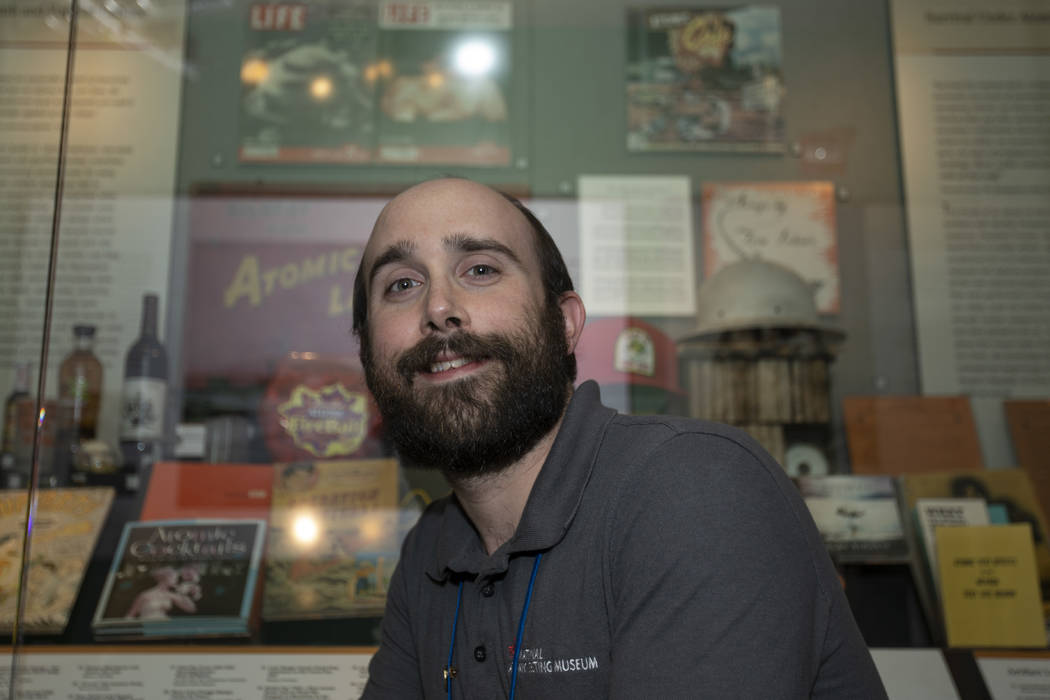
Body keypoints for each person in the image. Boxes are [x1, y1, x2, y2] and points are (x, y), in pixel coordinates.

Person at [354, 177, 887, 699]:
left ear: (564, 324)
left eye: (480, 269)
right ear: (368, 353)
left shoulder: (696, 487)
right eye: (402, 284)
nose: (438, 307)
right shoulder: (430, 546)